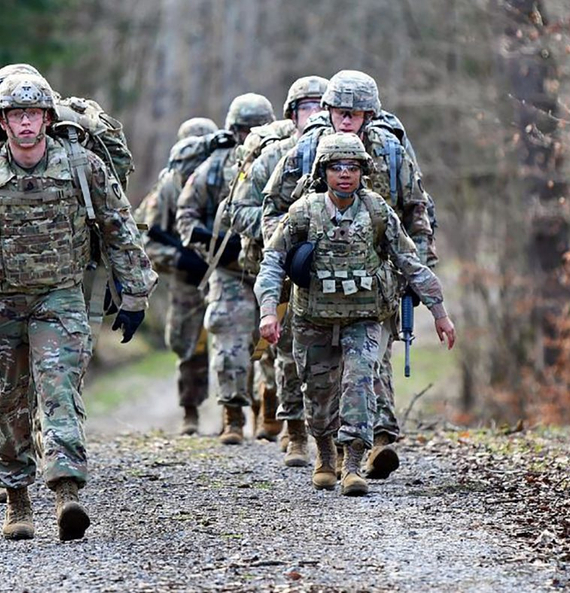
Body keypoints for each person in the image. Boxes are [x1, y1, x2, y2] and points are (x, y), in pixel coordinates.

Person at [0, 74, 156, 541]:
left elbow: (118, 226)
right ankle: (16, 499)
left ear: (47, 119)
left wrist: (134, 292)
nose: (25, 122)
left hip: (60, 297)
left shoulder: (81, 165)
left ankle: (67, 492)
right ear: (3, 121)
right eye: (16, 114)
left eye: (33, 114)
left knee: (59, 390)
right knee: (8, 402)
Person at [254, 133, 456, 496]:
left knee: (359, 384)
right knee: (317, 394)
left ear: (364, 171)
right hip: (313, 317)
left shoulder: (377, 211)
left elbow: (410, 262)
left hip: (365, 317)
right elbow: (272, 262)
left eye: (352, 167)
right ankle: (325, 454)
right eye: (336, 167)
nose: (345, 174)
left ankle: (352, 464)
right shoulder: (303, 212)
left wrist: (439, 311)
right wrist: (269, 311)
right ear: (323, 172)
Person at [227, 75, 328, 465]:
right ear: (292, 115)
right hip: (283, 268)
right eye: (307, 108)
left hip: (334, 275)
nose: (316, 115)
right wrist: (286, 238)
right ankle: (294, 428)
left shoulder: (345, 156)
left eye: (323, 106)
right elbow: (240, 210)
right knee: (283, 350)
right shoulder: (274, 157)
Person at [175, 93, 275, 445]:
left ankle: (272, 410)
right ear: (233, 129)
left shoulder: (280, 160)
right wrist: (206, 240)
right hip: (229, 270)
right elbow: (185, 212)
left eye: (258, 129)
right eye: (244, 129)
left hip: (273, 271)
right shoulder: (216, 166)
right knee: (229, 347)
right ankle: (233, 415)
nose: (250, 136)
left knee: (274, 350)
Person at [135, 117, 219, 435]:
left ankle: (240, 412)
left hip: (228, 271)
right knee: (187, 343)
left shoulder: (225, 179)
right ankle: (191, 411)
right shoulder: (168, 186)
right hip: (188, 277)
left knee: (239, 343)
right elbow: (147, 236)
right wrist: (180, 260)